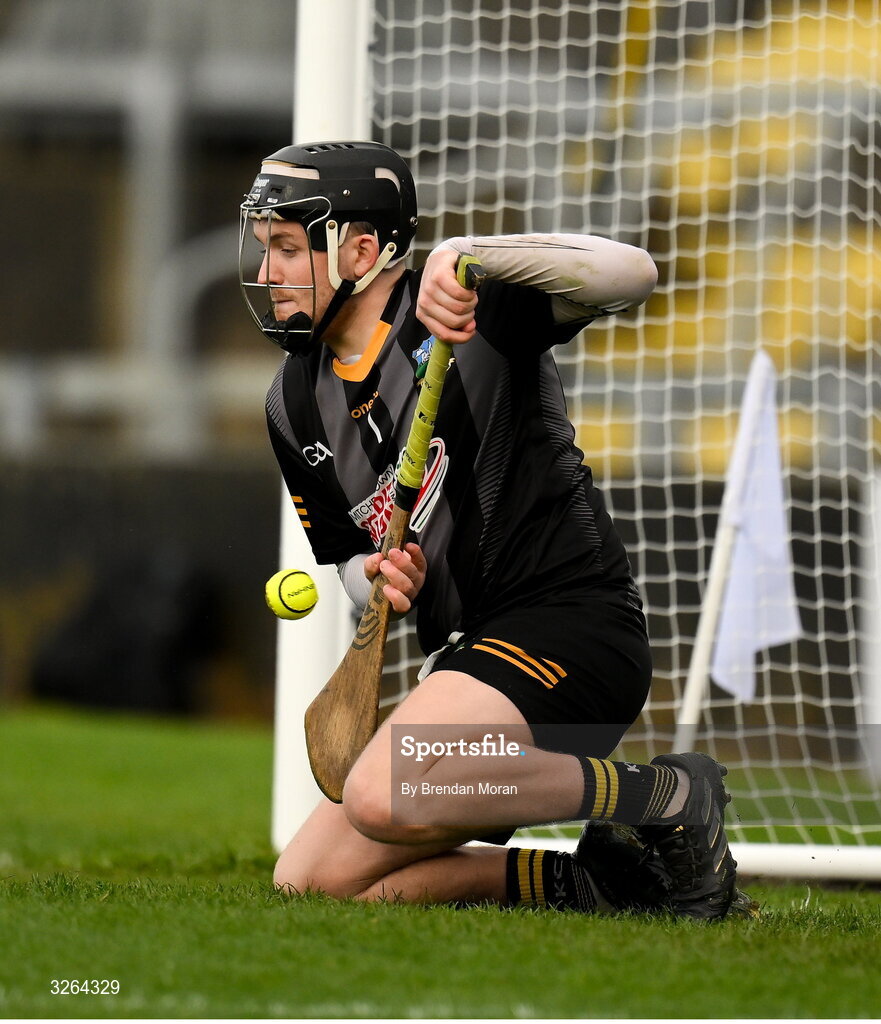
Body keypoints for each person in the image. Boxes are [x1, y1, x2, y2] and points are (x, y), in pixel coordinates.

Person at [239, 140, 741, 920]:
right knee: (310, 880)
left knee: (383, 790)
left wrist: (471, 256)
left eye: (285, 248)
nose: (267, 272)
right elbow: (342, 555)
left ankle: (664, 795)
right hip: (469, 657)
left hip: (570, 630)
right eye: (264, 248)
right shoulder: (291, 404)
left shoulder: (477, 310)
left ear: (361, 249)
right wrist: (369, 576)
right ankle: (596, 886)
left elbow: (634, 272)